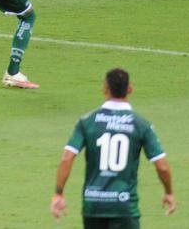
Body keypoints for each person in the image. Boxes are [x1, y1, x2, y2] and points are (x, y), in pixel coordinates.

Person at [51, 68, 176, 227]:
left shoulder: (87, 122)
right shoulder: (141, 125)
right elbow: (162, 167)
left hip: (93, 205)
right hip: (124, 206)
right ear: (130, 89)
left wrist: (58, 194)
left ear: (104, 89)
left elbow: (67, 157)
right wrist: (169, 192)